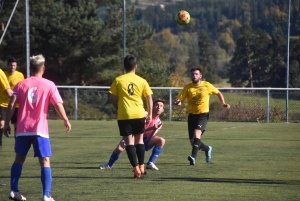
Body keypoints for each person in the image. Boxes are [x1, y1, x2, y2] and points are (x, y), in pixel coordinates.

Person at [4, 54, 71, 201]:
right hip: (39, 130)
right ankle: (46, 195)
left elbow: (11, 104)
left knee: (19, 159)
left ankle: (13, 191)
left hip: (22, 129)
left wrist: (7, 123)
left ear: (30, 68)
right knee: (45, 161)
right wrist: (65, 119)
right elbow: (58, 104)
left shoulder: (21, 84)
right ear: (43, 68)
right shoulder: (49, 84)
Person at [174, 67, 230, 166]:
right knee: (193, 142)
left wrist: (223, 103)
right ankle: (207, 149)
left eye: (196, 74)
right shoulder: (188, 87)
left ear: (200, 76)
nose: (194, 76)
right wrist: (178, 102)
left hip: (203, 115)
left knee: (197, 134)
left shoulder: (206, 85)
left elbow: (218, 93)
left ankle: (193, 157)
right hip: (192, 115)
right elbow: (180, 98)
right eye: (192, 74)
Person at [109, 55, 153, 178]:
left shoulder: (118, 80)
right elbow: (149, 97)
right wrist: (149, 114)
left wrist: (119, 109)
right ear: (136, 66)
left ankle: (136, 169)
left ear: (124, 66)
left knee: (129, 143)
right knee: (139, 140)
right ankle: (142, 166)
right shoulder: (142, 80)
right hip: (139, 114)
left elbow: (112, 98)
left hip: (124, 115)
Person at [100, 98, 166, 171]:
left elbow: (149, 136)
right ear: (152, 107)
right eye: (156, 105)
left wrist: (154, 129)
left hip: (144, 140)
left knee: (161, 140)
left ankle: (150, 163)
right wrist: (151, 128)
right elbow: (137, 130)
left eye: (161, 106)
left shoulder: (159, 122)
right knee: (119, 148)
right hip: (134, 135)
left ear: (163, 110)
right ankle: (109, 165)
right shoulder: (144, 114)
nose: (158, 107)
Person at [0, 58, 25, 149]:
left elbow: (23, 88)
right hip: (3, 103)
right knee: (1, 124)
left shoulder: (20, 75)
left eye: (14, 65)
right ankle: (0, 144)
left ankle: (17, 144)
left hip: (16, 105)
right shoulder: (3, 75)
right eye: (10, 65)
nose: (12, 67)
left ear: (16, 66)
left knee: (17, 125)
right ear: (7, 66)